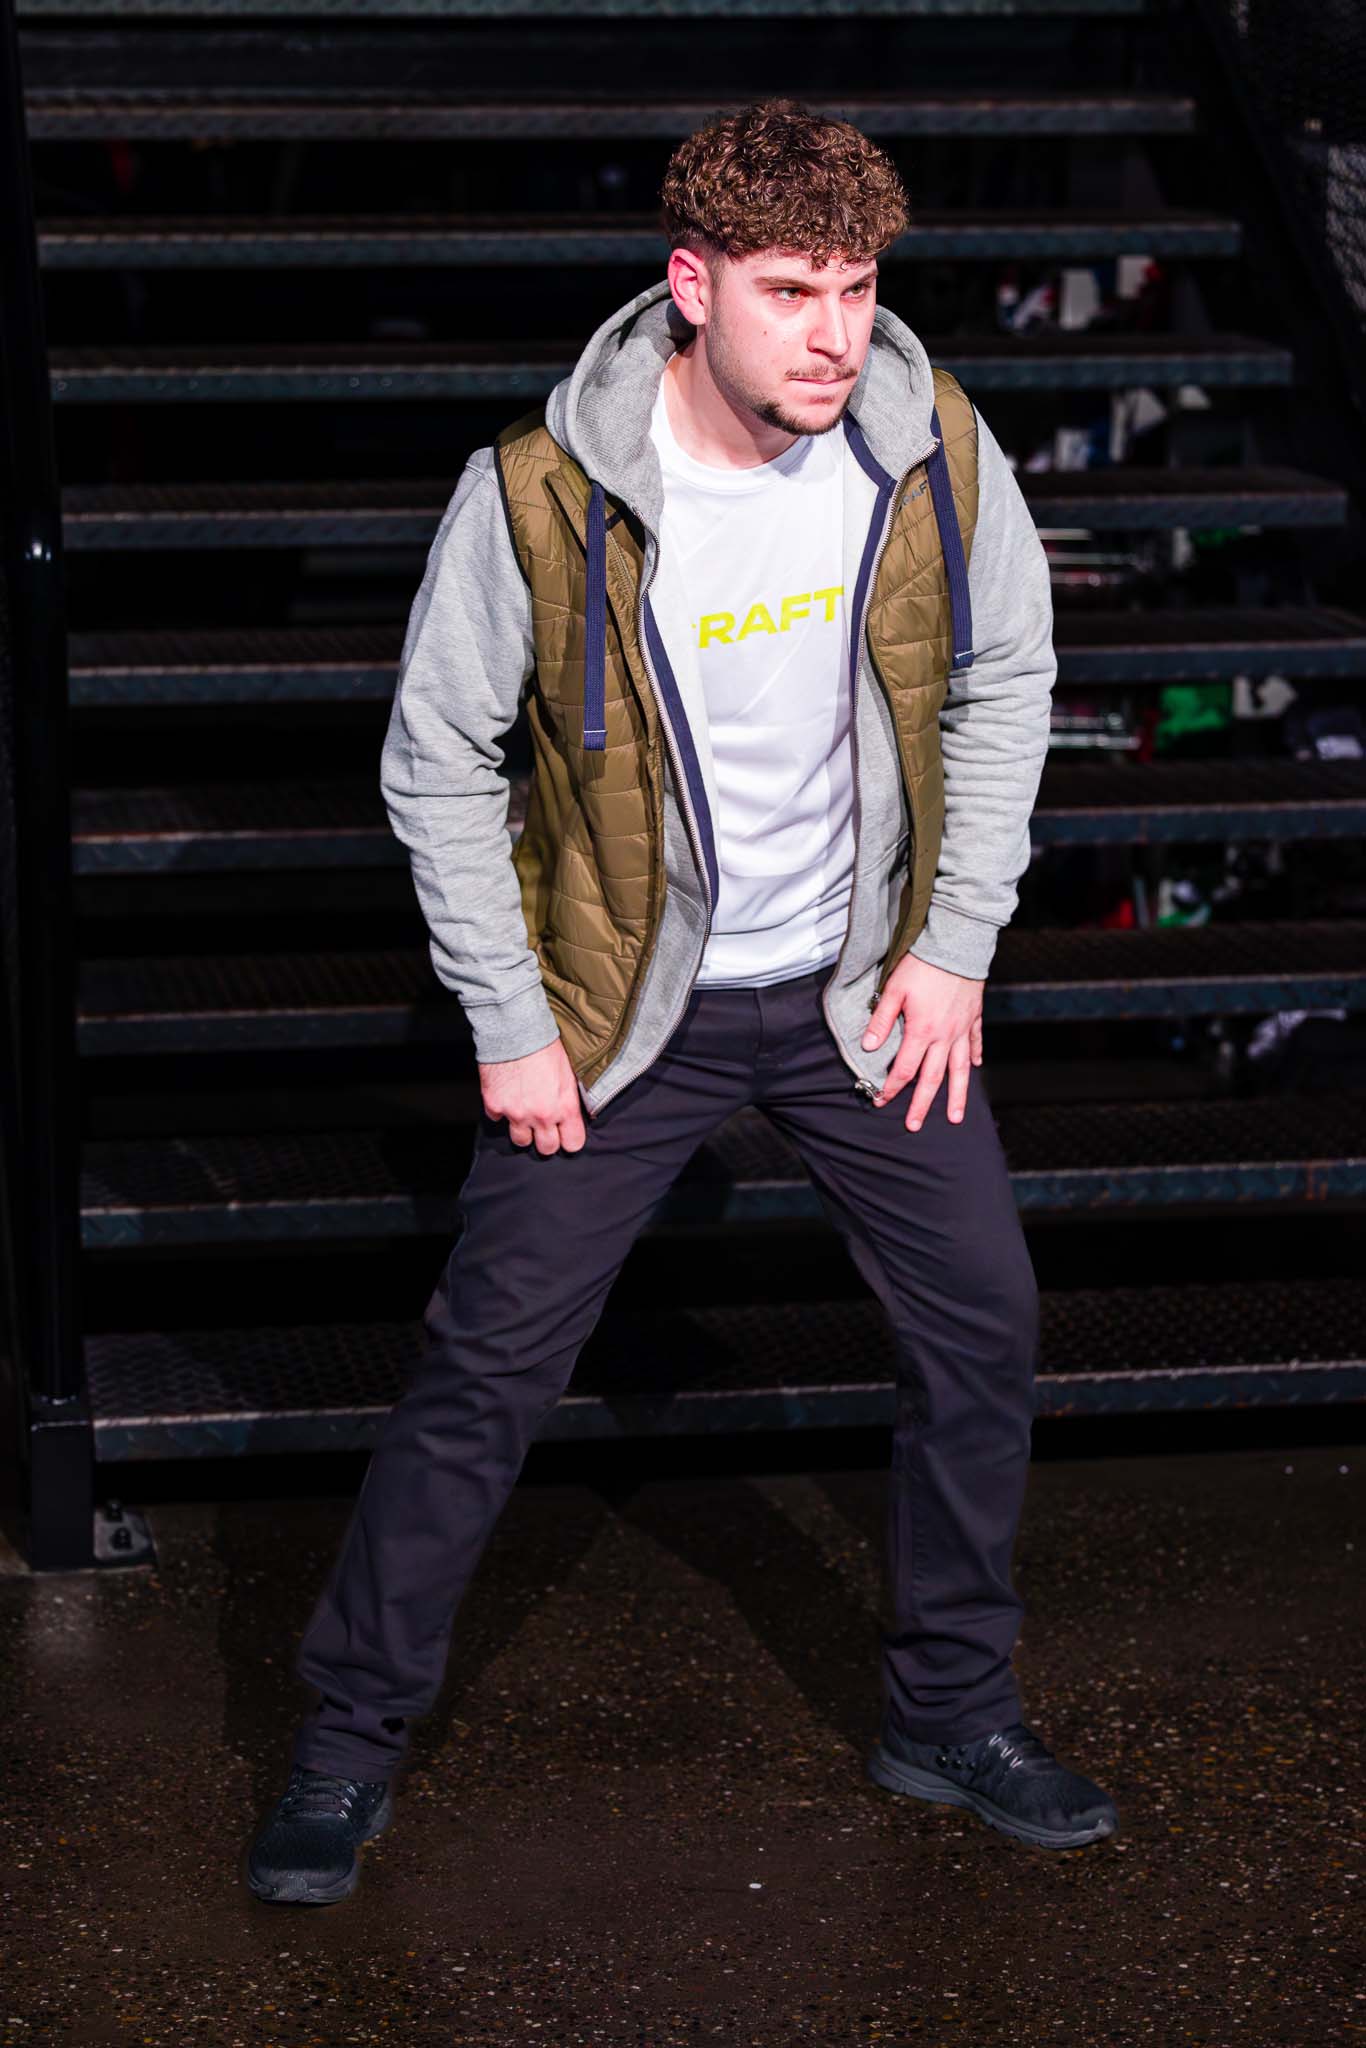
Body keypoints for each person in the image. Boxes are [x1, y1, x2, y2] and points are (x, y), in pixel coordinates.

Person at [245, 97, 1118, 1906]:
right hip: (621, 1009)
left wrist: (952, 943)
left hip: (856, 992)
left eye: (858, 288)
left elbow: (1007, 681)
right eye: (791, 290)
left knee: (983, 1325)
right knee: (487, 1369)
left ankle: (948, 1712)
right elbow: (435, 761)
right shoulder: (539, 493)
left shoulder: (931, 451)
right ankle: (346, 1741)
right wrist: (508, 1020)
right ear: (691, 285)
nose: (834, 333)